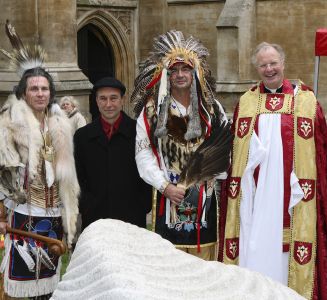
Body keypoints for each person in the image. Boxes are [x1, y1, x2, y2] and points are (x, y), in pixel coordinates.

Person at [219, 42, 327, 299]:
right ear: (256, 68)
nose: (269, 69)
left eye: (273, 63)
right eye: (263, 65)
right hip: (256, 201)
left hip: (294, 199)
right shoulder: (246, 103)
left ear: (283, 64)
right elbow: (236, 157)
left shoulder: (305, 101)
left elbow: (322, 156)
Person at [132, 30, 227, 260]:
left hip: (205, 196)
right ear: (166, 75)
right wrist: (164, 186)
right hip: (168, 193)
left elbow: (226, 148)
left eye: (186, 69)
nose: (180, 75)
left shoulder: (212, 110)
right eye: (174, 70)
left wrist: (213, 173)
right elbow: (143, 154)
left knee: (205, 262)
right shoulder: (152, 111)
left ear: (196, 73)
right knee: (170, 264)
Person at [0, 67, 79, 298]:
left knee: (47, 282)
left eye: (45, 88)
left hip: (53, 213)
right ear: (24, 94)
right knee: (20, 279)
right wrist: (1, 216)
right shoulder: (9, 124)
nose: (40, 93)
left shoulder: (60, 124)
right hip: (23, 211)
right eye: (34, 88)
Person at [74, 77, 152, 230]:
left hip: (132, 217)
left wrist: (143, 205)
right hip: (94, 219)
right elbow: (77, 177)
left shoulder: (140, 133)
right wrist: (86, 206)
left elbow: (148, 171)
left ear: (122, 100)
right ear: (96, 101)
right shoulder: (82, 136)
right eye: (103, 99)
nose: (108, 104)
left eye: (113, 98)